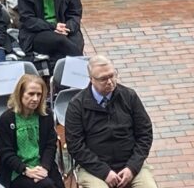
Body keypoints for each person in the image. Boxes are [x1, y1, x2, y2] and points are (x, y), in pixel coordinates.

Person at [65, 55, 158, 188]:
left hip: (131, 164)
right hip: (94, 169)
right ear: (91, 79)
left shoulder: (129, 96)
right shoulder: (77, 105)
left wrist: (132, 168)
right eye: (103, 79)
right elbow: (75, 145)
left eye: (112, 75)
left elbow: (145, 133)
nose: (110, 82)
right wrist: (104, 172)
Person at [0, 74, 64, 188]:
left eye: (39, 94)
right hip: (16, 171)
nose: (35, 99)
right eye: (31, 94)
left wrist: (44, 168)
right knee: (46, 185)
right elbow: (6, 153)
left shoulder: (46, 115)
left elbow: (50, 145)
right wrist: (26, 170)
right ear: (20, 94)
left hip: (42, 167)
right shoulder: (7, 118)